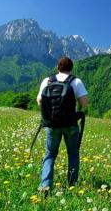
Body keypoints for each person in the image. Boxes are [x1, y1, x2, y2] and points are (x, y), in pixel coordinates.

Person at [36, 57, 88, 194]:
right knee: (73, 153)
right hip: (70, 124)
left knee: (50, 154)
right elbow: (84, 103)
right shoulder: (76, 81)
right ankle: (71, 184)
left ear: (58, 67)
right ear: (71, 68)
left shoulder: (47, 81)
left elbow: (40, 101)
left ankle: (45, 185)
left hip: (52, 124)